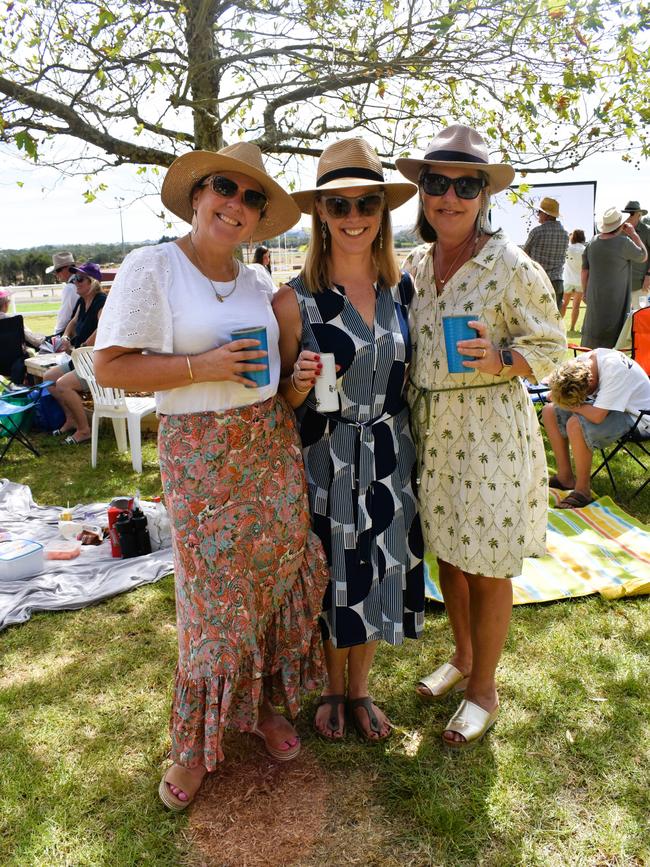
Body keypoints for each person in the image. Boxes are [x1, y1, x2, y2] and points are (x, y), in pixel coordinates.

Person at [93, 142, 329, 811]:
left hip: (269, 447)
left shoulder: (258, 283)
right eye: (227, 187)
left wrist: (294, 379)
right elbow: (109, 365)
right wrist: (206, 366)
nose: (239, 204)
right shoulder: (155, 267)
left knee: (274, 579)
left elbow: (275, 389)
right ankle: (193, 747)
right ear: (197, 194)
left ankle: (260, 710)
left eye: (254, 198)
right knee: (211, 599)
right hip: (201, 456)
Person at [395, 124, 566, 747]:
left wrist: (501, 359)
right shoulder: (413, 264)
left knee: (489, 563)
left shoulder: (512, 265)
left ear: (484, 194)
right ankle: (462, 656)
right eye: (437, 183)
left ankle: (483, 687)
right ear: (423, 191)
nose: (450, 196)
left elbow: (552, 348)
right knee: (449, 550)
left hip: (491, 425)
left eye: (465, 185)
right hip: (430, 425)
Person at [273, 137, 425, 742]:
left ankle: (360, 689)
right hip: (326, 458)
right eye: (340, 206)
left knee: (380, 566)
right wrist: (297, 383)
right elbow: (281, 404)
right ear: (321, 216)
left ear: (382, 213)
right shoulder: (293, 300)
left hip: (389, 452)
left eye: (367, 204)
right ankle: (330, 688)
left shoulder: (403, 290)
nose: (355, 216)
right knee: (334, 569)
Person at [542, 350, 650, 508]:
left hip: (639, 418)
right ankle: (565, 477)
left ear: (591, 382)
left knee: (576, 424)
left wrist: (572, 405)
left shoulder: (614, 372)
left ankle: (582, 490)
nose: (585, 399)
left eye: (585, 396)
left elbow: (597, 416)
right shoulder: (583, 363)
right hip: (618, 407)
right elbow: (554, 394)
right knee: (550, 411)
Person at [43, 262, 107, 444]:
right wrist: (65, 338)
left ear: (93, 282)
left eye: (80, 279)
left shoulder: (102, 301)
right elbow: (72, 322)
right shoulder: (82, 301)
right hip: (80, 358)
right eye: (74, 279)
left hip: (93, 361)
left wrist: (81, 346)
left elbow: (103, 328)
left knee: (63, 385)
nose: (75, 283)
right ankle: (71, 419)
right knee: (48, 378)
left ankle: (84, 430)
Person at [581, 207, 647, 350]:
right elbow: (643, 255)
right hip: (616, 296)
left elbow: (585, 270)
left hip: (594, 293)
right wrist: (634, 234)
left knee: (594, 326)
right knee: (613, 333)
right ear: (620, 225)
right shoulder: (624, 242)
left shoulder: (592, 242)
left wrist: (585, 291)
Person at [523, 196, 569, 310]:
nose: (537, 214)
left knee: (537, 319)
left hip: (538, 281)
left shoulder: (537, 232)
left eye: (539, 212)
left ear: (546, 214)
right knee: (555, 321)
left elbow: (523, 255)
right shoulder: (565, 234)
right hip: (557, 281)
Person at [621, 200, 650, 309]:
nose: (628, 216)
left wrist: (649, 275)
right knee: (624, 319)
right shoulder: (619, 230)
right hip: (622, 283)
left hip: (641, 284)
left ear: (639, 215)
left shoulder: (647, 231)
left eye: (631, 213)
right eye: (626, 213)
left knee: (641, 314)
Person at [560, 229, 586, 333]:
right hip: (579, 281)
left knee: (563, 304)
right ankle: (572, 328)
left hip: (568, 280)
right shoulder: (585, 249)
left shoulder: (567, 248)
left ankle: (559, 326)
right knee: (576, 306)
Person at [46, 252, 78, 335]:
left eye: (58, 270)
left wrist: (56, 334)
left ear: (68, 268)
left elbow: (64, 317)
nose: (56, 274)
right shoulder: (80, 282)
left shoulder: (70, 288)